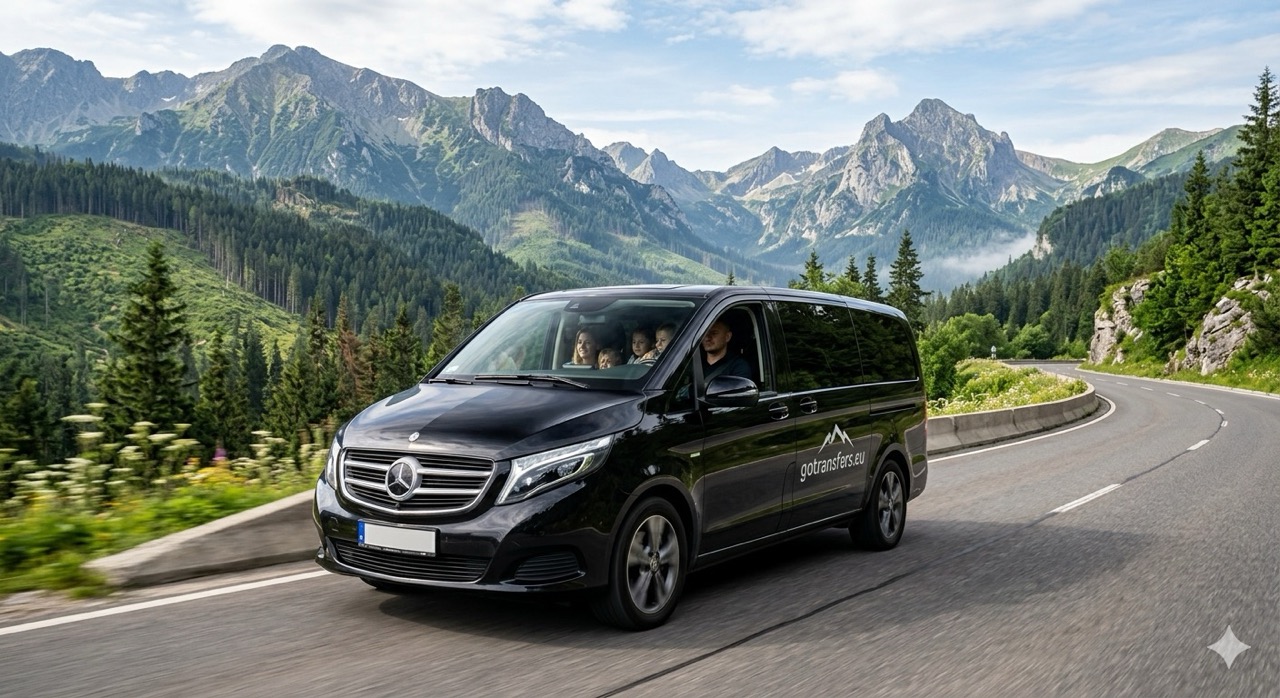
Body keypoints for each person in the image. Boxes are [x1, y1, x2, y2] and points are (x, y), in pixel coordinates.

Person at [700, 318, 751, 383]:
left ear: (727, 337)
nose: (707, 338)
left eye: (714, 333)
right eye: (705, 333)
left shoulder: (738, 366)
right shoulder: (693, 364)